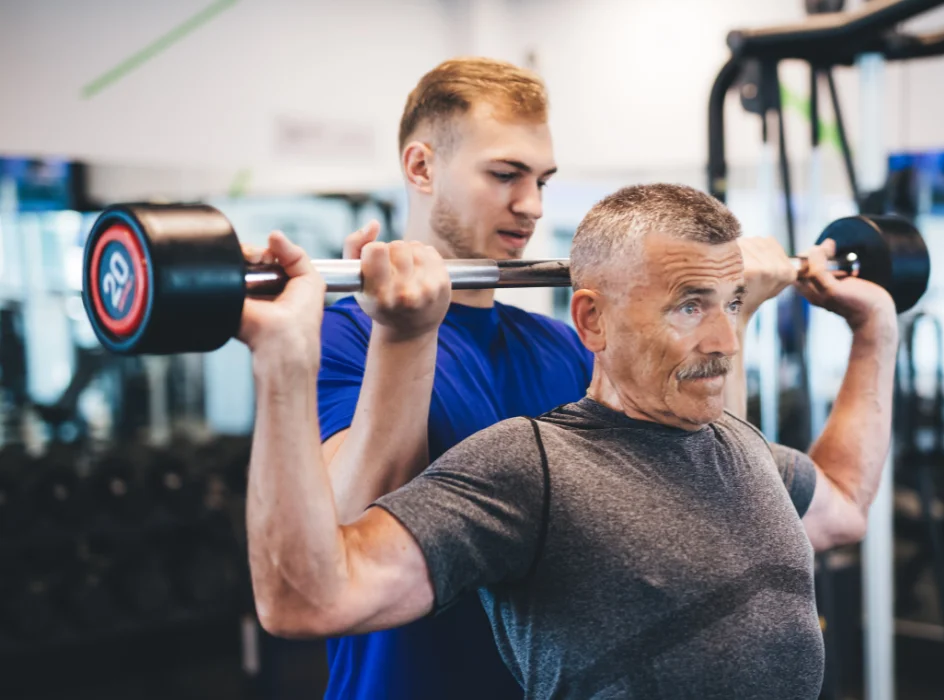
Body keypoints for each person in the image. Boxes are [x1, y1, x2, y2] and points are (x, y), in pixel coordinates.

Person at [241, 182, 897, 700]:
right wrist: (282, 359)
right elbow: (308, 599)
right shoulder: (532, 467)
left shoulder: (742, 445)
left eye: (731, 303)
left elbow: (844, 504)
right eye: (689, 306)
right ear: (592, 319)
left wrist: (876, 333)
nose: (726, 343)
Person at [313, 57, 801, 699]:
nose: (533, 206)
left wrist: (739, 305)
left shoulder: (561, 345)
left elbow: (702, 473)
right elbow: (342, 537)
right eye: (505, 175)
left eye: (542, 179)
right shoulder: (344, 336)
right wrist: (402, 334)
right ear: (421, 167)